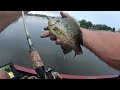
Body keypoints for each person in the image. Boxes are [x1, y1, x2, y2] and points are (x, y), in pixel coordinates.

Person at [0, 11, 120, 74]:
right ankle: (74, 49)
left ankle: (74, 49)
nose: (50, 19)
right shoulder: (55, 25)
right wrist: (78, 33)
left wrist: (75, 34)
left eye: (52, 18)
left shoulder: (55, 25)